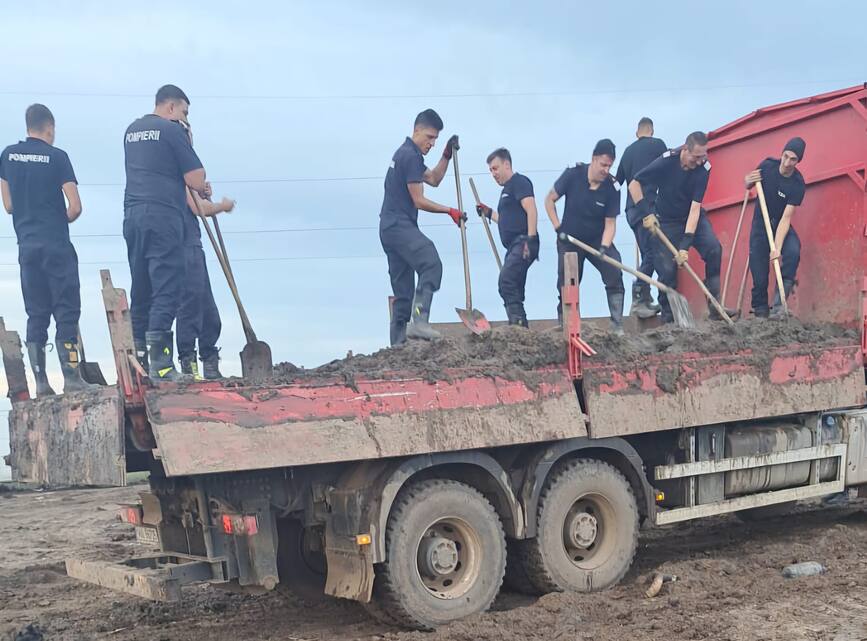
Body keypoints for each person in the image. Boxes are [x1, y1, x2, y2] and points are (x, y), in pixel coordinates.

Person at [0, 104, 94, 395]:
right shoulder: (57, 157)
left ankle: (41, 383)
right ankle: (72, 379)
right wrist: (57, 219)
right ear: (50, 127)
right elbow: (75, 206)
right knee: (66, 311)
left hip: (27, 246)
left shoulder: (7, 155)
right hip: (56, 245)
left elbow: (9, 205)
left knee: (36, 313)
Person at [123, 84, 209, 381]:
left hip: (133, 216)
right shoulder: (172, 131)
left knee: (142, 287)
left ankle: (140, 363)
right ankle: (162, 366)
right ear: (171, 107)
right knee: (167, 288)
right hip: (163, 217)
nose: (184, 118)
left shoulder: (131, 130)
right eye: (183, 112)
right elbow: (196, 179)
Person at [380, 109, 465, 346]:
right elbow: (419, 200)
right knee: (430, 262)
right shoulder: (409, 156)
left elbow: (435, 179)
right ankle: (419, 321)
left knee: (403, 295)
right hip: (398, 225)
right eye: (429, 137)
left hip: (388, 229)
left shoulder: (407, 155)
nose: (432, 143)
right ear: (416, 130)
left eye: (436, 139)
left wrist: (447, 156)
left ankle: (397, 346)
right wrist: (450, 210)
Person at [629, 131, 728, 323]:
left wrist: (685, 245)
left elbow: (694, 209)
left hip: (693, 218)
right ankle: (669, 319)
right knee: (666, 270)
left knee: (714, 249)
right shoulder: (666, 161)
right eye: (696, 157)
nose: (700, 161)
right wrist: (645, 213)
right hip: (666, 221)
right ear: (685, 149)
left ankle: (715, 307)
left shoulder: (704, 169)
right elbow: (634, 184)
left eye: (703, 156)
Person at [545, 139, 625, 334]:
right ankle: (568, 326)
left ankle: (617, 326)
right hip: (569, 238)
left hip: (597, 239)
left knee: (614, 269)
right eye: (603, 165)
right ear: (593, 159)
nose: (606, 170)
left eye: (609, 166)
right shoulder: (573, 175)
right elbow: (549, 200)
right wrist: (558, 228)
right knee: (567, 281)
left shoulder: (612, 187)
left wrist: (604, 248)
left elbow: (610, 224)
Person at [176, 119, 234, 379]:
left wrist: (202, 191)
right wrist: (220, 206)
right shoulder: (175, 175)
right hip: (184, 244)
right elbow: (196, 207)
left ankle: (209, 361)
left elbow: (197, 198)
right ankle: (190, 364)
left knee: (207, 307)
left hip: (192, 243)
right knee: (190, 303)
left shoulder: (186, 175)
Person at [475, 148, 539, 327]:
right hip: (513, 245)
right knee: (514, 286)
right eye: (490, 171)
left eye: (495, 168)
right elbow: (506, 221)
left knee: (506, 280)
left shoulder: (520, 182)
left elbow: (531, 209)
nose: (493, 174)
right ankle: (520, 327)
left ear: (507, 164)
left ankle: (518, 326)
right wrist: (488, 213)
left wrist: (530, 239)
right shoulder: (506, 191)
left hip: (523, 241)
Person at [745, 137, 806, 317]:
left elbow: (786, 218)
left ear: (798, 161)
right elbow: (749, 183)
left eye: (793, 159)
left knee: (793, 250)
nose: (787, 163)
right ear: (782, 153)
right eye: (785, 156)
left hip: (780, 224)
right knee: (760, 274)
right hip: (760, 226)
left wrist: (777, 248)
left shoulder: (797, 184)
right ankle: (761, 312)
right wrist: (748, 179)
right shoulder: (768, 166)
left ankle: (779, 307)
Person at [614, 117, 667, 318]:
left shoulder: (627, 152)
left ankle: (646, 298)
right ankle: (639, 298)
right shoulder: (658, 145)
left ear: (637, 133)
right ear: (651, 131)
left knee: (649, 253)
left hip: (631, 210)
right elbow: (669, 168)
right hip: (649, 207)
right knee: (653, 254)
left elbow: (617, 181)